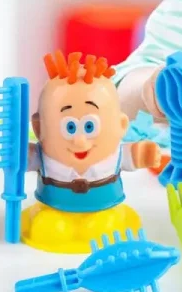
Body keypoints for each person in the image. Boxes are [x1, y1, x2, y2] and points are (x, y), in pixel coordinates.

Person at [22, 50, 161, 254]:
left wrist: (142, 154)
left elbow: (130, 156)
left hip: (104, 209)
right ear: (38, 128)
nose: (79, 141)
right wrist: (18, 155)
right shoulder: (44, 157)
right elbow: (24, 159)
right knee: (50, 227)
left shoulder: (114, 156)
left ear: (121, 125)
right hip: (54, 208)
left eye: (89, 127)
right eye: (70, 127)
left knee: (102, 227)